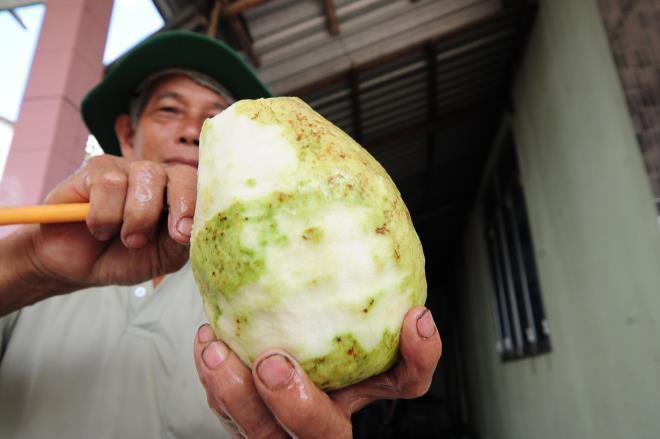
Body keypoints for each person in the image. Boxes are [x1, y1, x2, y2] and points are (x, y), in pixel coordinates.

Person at [0, 31, 441, 438]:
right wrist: (33, 265)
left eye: (214, 118)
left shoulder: (280, 288)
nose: (194, 132)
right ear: (127, 134)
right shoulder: (43, 253)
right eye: (169, 110)